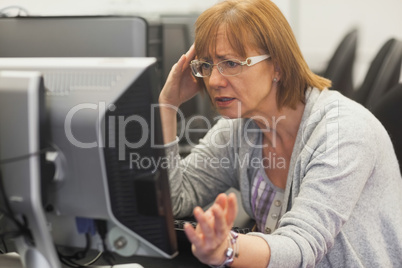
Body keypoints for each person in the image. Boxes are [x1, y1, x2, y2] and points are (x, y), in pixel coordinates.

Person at [158, 0, 402, 267]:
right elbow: (175, 200)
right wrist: (168, 106)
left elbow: (301, 246)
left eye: (230, 63)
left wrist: (228, 248)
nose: (214, 80)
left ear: (278, 66)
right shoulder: (242, 127)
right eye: (206, 65)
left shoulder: (344, 132)